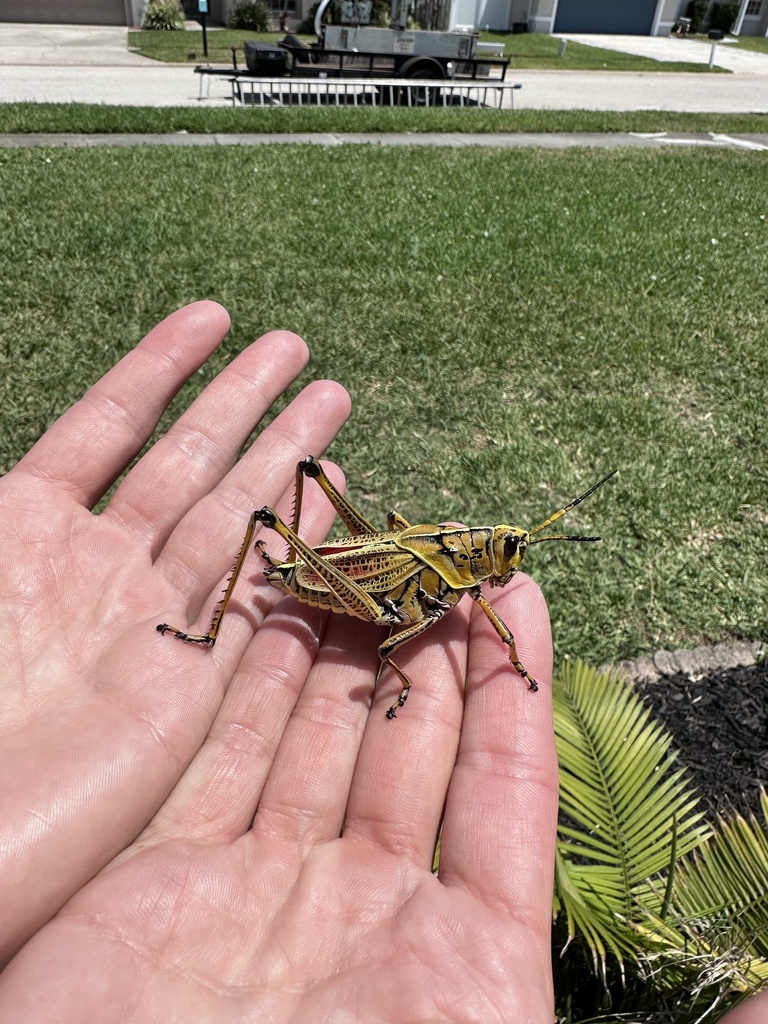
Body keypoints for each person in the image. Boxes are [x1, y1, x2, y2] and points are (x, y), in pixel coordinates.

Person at [0, 302, 758, 1021]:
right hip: (341, 583)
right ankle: (210, 631)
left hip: (379, 567)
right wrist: (399, 676)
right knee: (306, 537)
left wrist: (502, 646)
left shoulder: (468, 581)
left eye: (503, 553)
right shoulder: (450, 583)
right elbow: (395, 639)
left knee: (395, 555)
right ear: (477, 553)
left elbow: (474, 600)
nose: (500, 567)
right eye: (499, 553)